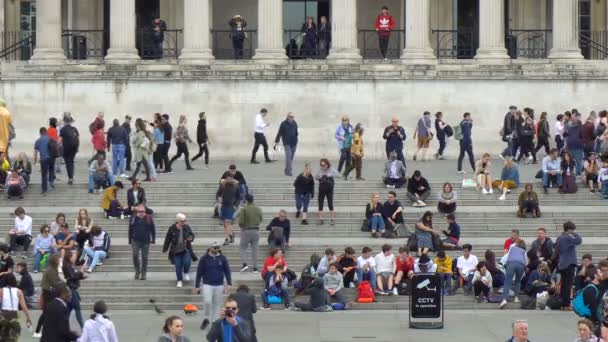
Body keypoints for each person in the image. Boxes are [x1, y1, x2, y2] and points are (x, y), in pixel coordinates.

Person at [194, 242, 232, 331]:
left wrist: (229, 283)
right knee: (207, 301)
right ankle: (206, 317)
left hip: (219, 284)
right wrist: (197, 285)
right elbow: (199, 272)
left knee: (217, 304)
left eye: (218, 247)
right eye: (215, 248)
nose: (217, 249)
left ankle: (214, 321)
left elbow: (227, 271)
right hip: (207, 284)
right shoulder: (204, 259)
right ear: (210, 248)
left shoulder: (222, 258)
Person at [34, 254, 65, 338]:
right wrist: (64, 282)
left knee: (47, 313)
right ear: (55, 261)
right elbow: (55, 282)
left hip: (49, 292)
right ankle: (37, 331)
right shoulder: (51, 270)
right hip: (48, 293)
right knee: (46, 313)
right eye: (59, 260)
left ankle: (39, 330)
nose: (60, 261)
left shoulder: (52, 269)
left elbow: (56, 280)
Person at [554, 222, 582, 308]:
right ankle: (566, 305)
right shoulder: (567, 238)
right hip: (569, 263)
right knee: (568, 285)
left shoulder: (559, 238)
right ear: (570, 229)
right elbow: (579, 240)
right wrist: (573, 233)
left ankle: (563, 304)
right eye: (573, 229)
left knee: (564, 285)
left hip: (562, 263)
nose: (573, 231)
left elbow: (557, 250)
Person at [163, 213, 195, 288]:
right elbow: (168, 239)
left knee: (187, 262)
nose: (184, 222)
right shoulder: (172, 228)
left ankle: (186, 272)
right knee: (178, 265)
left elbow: (192, 235)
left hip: (186, 248)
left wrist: (191, 238)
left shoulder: (187, 227)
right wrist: (165, 248)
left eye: (185, 220)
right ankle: (179, 280)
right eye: (182, 221)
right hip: (176, 250)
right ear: (177, 220)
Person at [0, 273, 32, 340]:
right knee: (14, 338)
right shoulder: (19, 291)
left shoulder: (1, 291)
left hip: (3, 316)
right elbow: (23, 306)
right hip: (14, 316)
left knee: (3, 337)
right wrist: (28, 318)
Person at [129, 204, 156, 280]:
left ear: (145, 211)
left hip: (146, 241)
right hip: (135, 241)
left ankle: (144, 273)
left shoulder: (149, 218)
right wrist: (129, 240)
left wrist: (153, 239)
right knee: (135, 256)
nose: (141, 213)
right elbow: (130, 229)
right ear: (137, 211)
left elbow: (153, 229)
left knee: (145, 258)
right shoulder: (133, 218)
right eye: (140, 211)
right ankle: (137, 272)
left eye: (143, 211)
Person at [237, 194, 262, 273]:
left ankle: (245, 264)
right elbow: (261, 219)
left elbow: (241, 221)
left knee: (243, 247)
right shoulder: (258, 209)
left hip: (246, 230)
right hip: (256, 231)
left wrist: (241, 226)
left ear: (246, 200)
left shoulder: (244, 209)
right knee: (255, 250)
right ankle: (255, 268)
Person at [499, 239, 527, 309]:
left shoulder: (512, 248)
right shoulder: (524, 251)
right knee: (518, 281)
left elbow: (505, 258)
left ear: (516, 244)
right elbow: (526, 261)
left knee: (507, 282)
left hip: (511, 263)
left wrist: (503, 265)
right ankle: (516, 298)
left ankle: (504, 299)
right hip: (521, 265)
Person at [63, 250, 86, 329]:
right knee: (77, 309)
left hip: (72, 289)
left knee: (69, 309)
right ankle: (83, 328)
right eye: (73, 256)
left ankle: (63, 326)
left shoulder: (69, 265)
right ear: (69, 257)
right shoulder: (67, 266)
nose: (75, 257)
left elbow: (74, 276)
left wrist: (81, 275)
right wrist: (81, 272)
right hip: (71, 289)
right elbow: (72, 276)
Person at [315, 158, 339, 225]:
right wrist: (320, 177)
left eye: (324, 165)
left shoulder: (331, 169)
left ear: (327, 164)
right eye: (321, 165)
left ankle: (332, 219)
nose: (323, 166)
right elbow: (316, 177)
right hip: (322, 189)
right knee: (320, 203)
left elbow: (338, 175)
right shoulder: (320, 170)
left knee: (330, 204)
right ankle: (320, 219)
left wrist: (330, 175)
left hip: (329, 189)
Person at [274, 112, 298, 176]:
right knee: (288, 157)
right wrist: (277, 141)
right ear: (287, 117)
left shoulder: (295, 123)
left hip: (294, 142)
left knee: (291, 158)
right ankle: (289, 171)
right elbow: (279, 133)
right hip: (286, 143)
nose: (292, 118)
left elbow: (296, 132)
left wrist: (296, 139)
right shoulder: (283, 124)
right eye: (290, 117)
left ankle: (286, 170)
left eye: (293, 117)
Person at [218, 175, 240, 245]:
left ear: (233, 179)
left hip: (230, 207)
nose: (229, 180)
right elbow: (218, 194)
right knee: (226, 224)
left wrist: (235, 205)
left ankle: (226, 239)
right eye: (228, 179)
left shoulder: (236, 186)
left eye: (230, 179)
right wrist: (219, 198)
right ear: (226, 179)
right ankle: (231, 234)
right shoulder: (223, 186)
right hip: (223, 206)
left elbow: (238, 197)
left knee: (227, 222)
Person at [34, 127, 56, 194]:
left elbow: (35, 152)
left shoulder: (38, 140)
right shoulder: (51, 139)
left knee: (44, 174)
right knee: (51, 168)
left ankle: (44, 189)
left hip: (43, 159)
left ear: (40, 133)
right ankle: (51, 180)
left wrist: (35, 161)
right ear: (46, 132)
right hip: (52, 158)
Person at [59, 112, 79, 185]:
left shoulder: (63, 129)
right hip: (74, 147)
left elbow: (60, 140)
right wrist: (77, 148)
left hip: (67, 148)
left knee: (68, 162)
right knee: (71, 161)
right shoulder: (75, 129)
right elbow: (77, 138)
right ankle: (72, 177)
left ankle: (70, 178)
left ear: (64, 121)